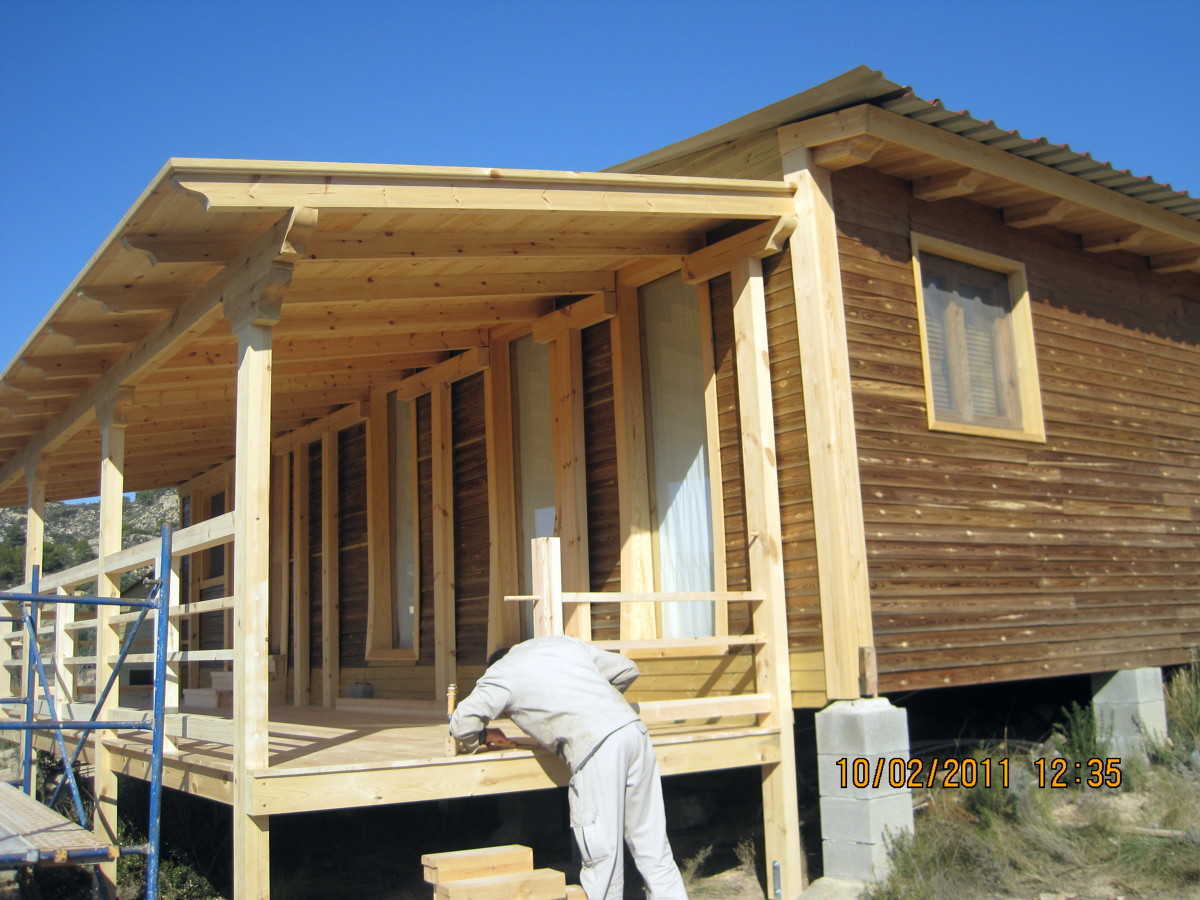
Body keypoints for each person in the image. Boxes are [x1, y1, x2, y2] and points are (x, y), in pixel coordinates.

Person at [449, 634, 688, 900]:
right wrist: (591, 702)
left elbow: (462, 723)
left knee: (602, 856)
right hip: (633, 732)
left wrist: (482, 737)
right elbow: (626, 669)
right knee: (652, 845)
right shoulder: (560, 644)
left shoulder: (501, 673)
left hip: (597, 749)